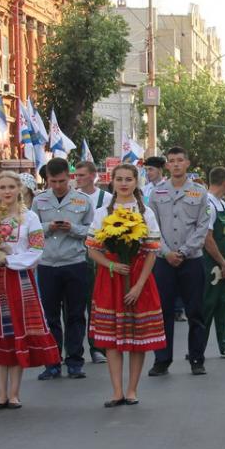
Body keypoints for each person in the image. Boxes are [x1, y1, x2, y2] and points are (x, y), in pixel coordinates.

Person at [0, 172, 59, 410]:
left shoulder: (30, 218)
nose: (7, 191)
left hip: (18, 279)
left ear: (19, 189)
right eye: (2, 187)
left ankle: (15, 393)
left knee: (16, 332)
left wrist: (10, 260)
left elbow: (37, 249)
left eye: (11, 187)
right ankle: (0, 393)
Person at [87, 163, 165, 406]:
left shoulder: (146, 212)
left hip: (138, 274)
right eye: (119, 179)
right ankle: (117, 390)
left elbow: (152, 252)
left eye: (128, 179)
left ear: (135, 182)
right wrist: (111, 265)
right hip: (110, 277)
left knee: (137, 336)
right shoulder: (102, 213)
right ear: (112, 181)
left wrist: (139, 285)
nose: (123, 183)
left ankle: (132, 390)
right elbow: (92, 249)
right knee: (112, 338)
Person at [149, 146, 213, 377]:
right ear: (167, 165)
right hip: (164, 260)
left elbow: (202, 226)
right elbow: (152, 227)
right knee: (163, 311)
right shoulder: (157, 193)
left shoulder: (199, 192)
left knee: (195, 310)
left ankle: (196, 358)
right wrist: (166, 252)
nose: (176, 164)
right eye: (172, 161)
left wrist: (184, 252)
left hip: (192, 259)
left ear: (187, 164)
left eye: (180, 160)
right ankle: (162, 360)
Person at [32, 157, 95, 380]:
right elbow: (32, 230)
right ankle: (51, 362)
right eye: (52, 181)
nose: (57, 185)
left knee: (76, 314)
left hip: (75, 262)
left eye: (61, 181)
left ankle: (75, 361)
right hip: (48, 263)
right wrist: (47, 227)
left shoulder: (83, 201)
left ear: (69, 178)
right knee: (50, 316)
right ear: (47, 179)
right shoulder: (39, 201)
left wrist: (73, 229)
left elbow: (92, 231)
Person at [74, 160, 112, 364]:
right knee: (74, 307)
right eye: (76, 175)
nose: (77, 178)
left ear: (92, 176)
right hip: (75, 256)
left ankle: (97, 347)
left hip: (97, 257)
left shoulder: (106, 198)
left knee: (95, 304)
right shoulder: (73, 198)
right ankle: (74, 349)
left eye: (81, 175)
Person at [202, 166, 225, 360]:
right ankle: (197, 347)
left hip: (224, 262)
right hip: (210, 263)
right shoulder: (207, 203)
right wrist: (222, 263)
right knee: (207, 305)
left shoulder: (223, 204)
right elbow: (207, 239)